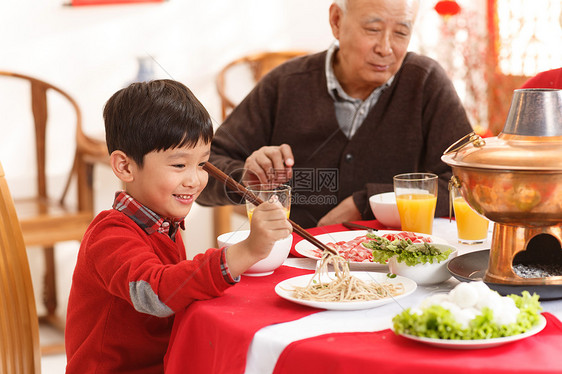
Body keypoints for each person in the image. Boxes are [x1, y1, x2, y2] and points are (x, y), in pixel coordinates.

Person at [64, 80, 292, 373]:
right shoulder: (110, 235)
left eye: (202, 164)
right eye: (179, 165)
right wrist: (246, 251)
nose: (194, 180)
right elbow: (155, 293)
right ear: (125, 166)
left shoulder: (165, 226)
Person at [198, 0, 474, 228]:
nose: (386, 48)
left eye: (401, 33)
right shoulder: (285, 83)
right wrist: (247, 177)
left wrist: (367, 203)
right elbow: (201, 170)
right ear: (337, 21)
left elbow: (468, 187)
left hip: (398, 265)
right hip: (298, 264)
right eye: (373, 29)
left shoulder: (425, 81)